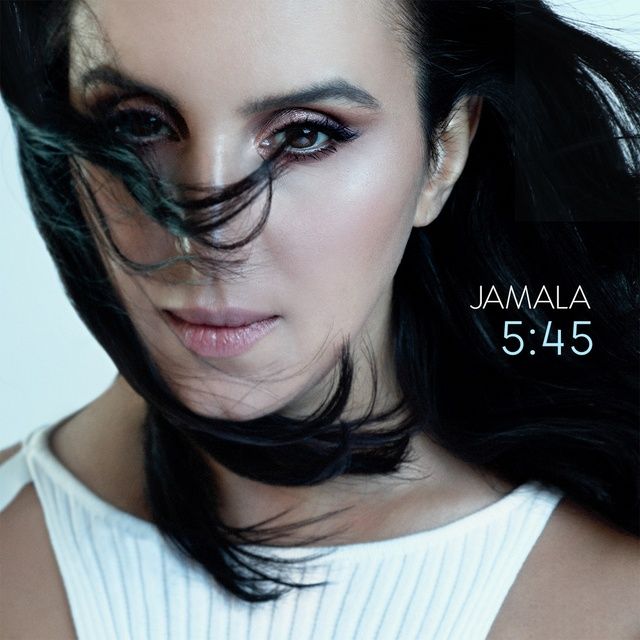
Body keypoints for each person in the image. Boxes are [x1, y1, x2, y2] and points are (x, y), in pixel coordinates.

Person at [0, 0, 638, 638]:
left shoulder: (614, 588)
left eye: (304, 135)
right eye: (138, 124)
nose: (208, 240)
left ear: (443, 152)